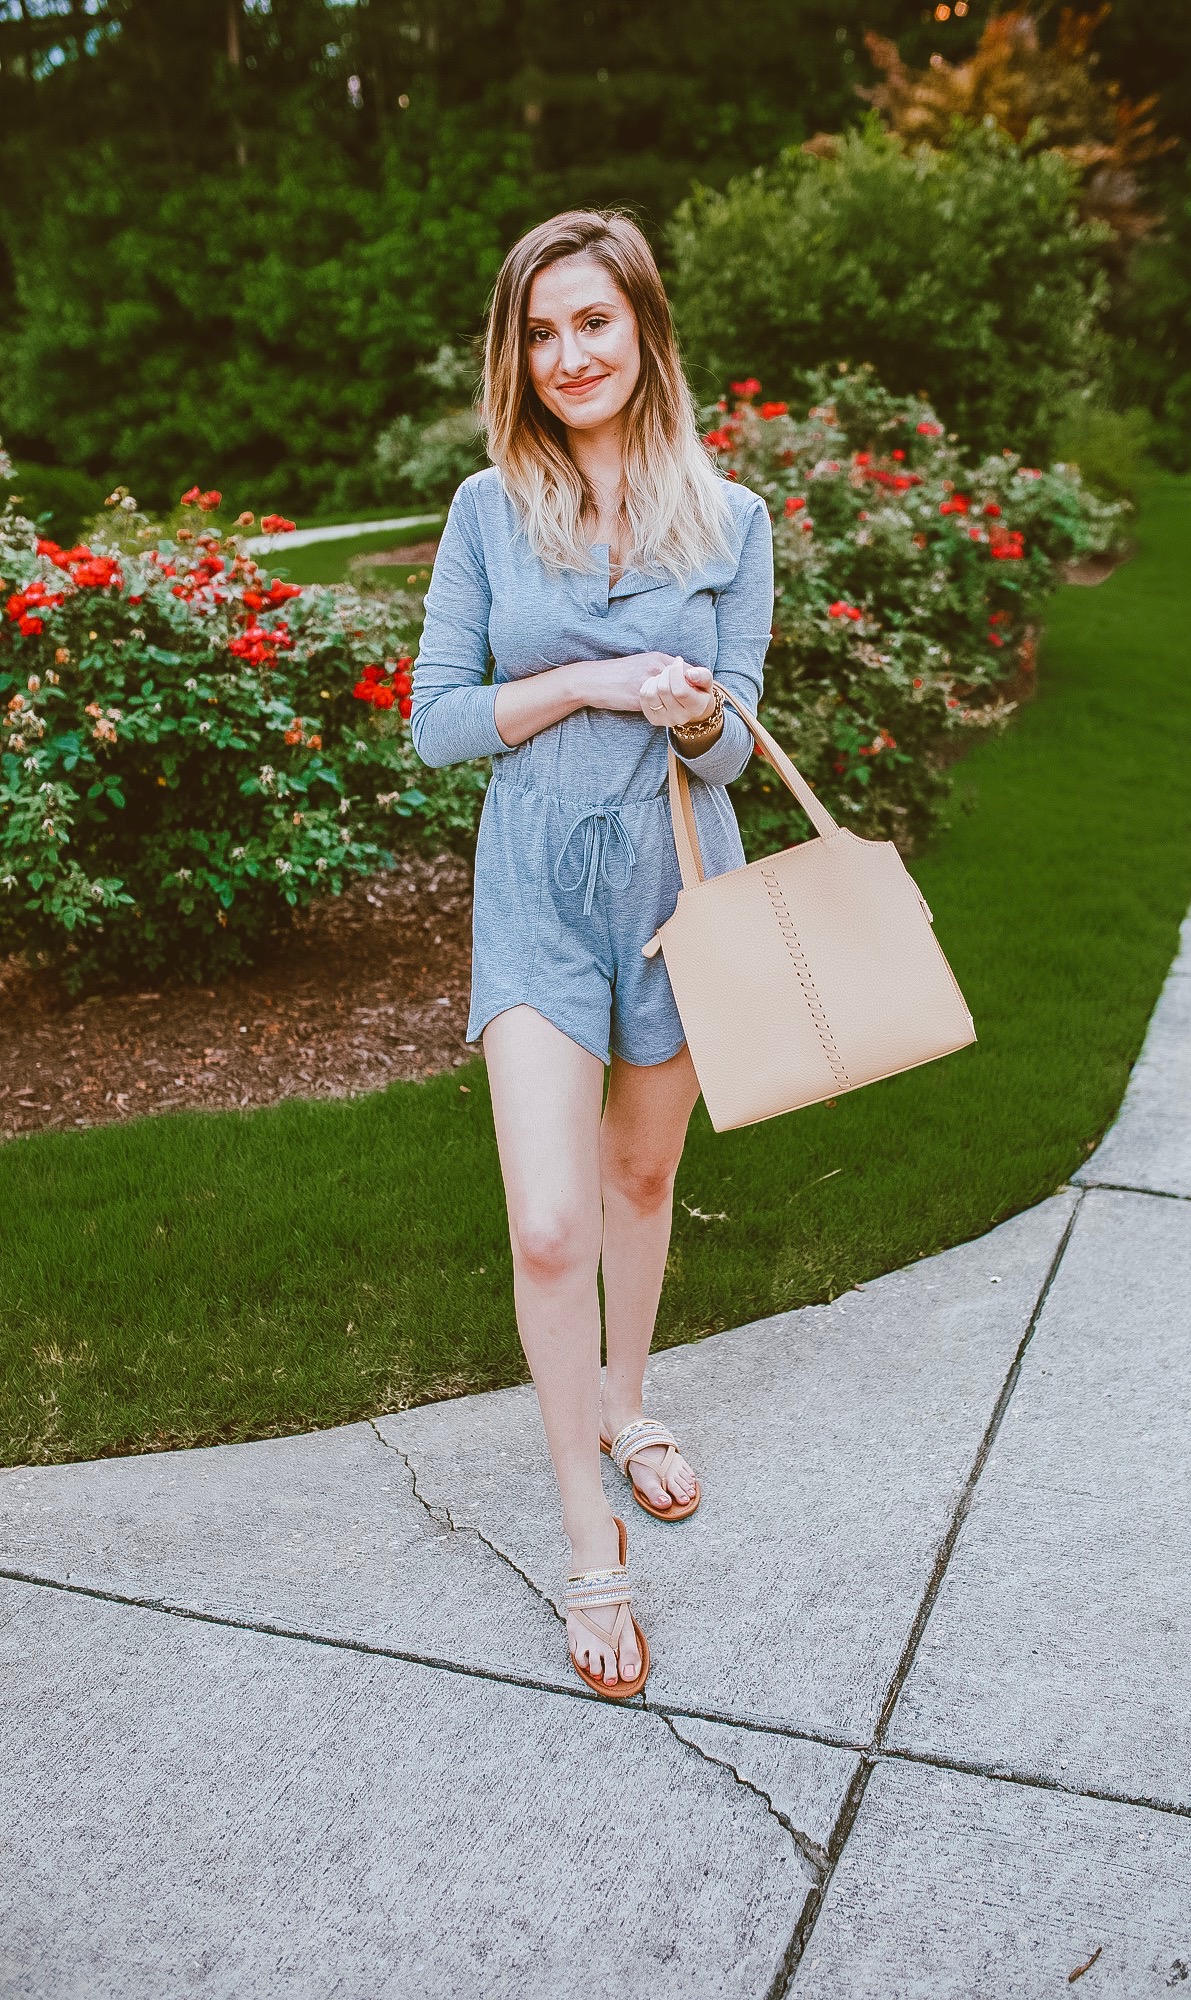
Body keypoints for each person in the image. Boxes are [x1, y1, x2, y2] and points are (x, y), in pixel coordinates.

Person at [410, 210, 774, 1701]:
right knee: (552, 1225)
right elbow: (437, 722)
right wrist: (590, 681)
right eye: (540, 332)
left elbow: (738, 744)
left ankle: (629, 1405)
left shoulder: (729, 521)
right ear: (518, 352)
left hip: (677, 901)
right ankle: (586, 1536)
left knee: (639, 1182)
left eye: (592, 325)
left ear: (645, 331)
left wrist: (690, 712)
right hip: (538, 906)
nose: (567, 356)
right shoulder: (487, 508)